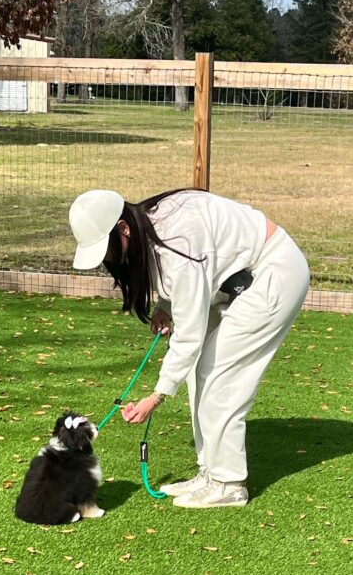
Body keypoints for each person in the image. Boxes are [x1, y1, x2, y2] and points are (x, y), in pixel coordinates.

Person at [68, 188, 310, 508]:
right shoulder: (151, 227)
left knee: (219, 373)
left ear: (123, 228)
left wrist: (157, 395)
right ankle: (209, 472)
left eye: (108, 251)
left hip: (273, 274)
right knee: (200, 371)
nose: (110, 261)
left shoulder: (176, 240)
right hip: (237, 280)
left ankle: (228, 483)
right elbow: (186, 277)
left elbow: (189, 334)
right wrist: (166, 305)